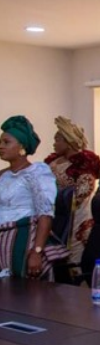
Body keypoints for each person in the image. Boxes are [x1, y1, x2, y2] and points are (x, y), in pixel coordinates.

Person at [0, 116, 67, 279]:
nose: (1, 146)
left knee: (25, 296)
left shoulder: (37, 173)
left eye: (6, 142)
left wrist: (37, 251)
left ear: (22, 146)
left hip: (24, 238)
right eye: (1, 142)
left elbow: (45, 213)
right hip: (3, 239)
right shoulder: (3, 175)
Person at [45, 116, 100, 272]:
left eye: (58, 140)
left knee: (75, 254)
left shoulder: (84, 161)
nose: (54, 143)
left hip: (77, 215)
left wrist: (56, 195)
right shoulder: (54, 162)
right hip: (54, 213)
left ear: (69, 141)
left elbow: (83, 191)